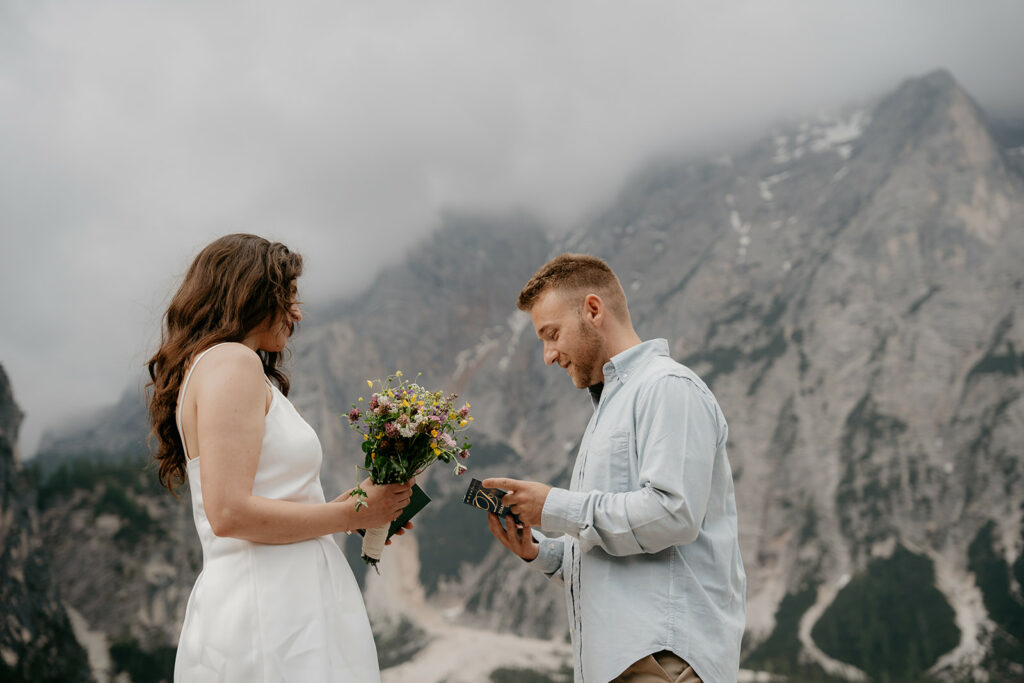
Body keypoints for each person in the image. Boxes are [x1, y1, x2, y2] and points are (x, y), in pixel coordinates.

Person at [146, 233, 412, 682]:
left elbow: (266, 498)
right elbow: (229, 513)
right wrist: (351, 514)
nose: (297, 313)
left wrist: (360, 508)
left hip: (282, 600)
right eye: (288, 296)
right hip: (272, 609)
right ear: (250, 293)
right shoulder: (232, 362)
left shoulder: (224, 365)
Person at [484, 253, 745, 683]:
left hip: (662, 662)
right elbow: (615, 554)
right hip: (630, 663)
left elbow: (673, 514)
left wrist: (553, 506)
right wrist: (539, 551)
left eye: (552, 334)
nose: (549, 355)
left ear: (593, 309)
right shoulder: (610, 406)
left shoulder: (667, 387)